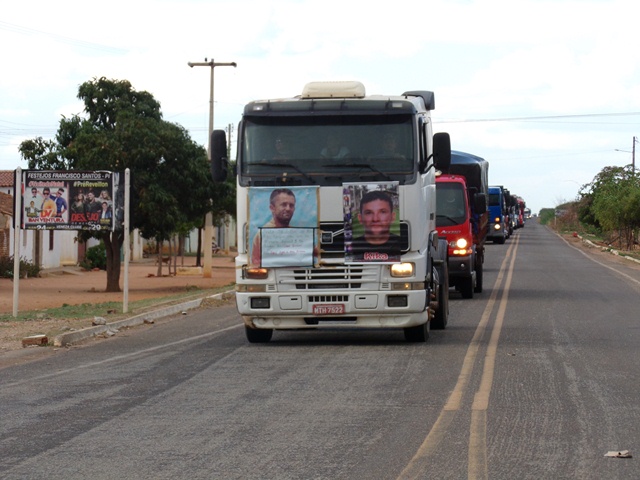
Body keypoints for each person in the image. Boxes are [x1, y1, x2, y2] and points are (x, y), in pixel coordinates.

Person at [251, 188, 296, 266]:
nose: (288, 209)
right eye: (284, 205)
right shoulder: (262, 235)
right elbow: (255, 263)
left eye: (291, 205)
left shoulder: (299, 235)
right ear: (272, 208)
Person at [352, 190, 400, 257]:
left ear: (392, 217)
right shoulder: (351, 247)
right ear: (360, 218)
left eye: (382, 212)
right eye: (369, 213)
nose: (375, 219)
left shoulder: (401, 245)